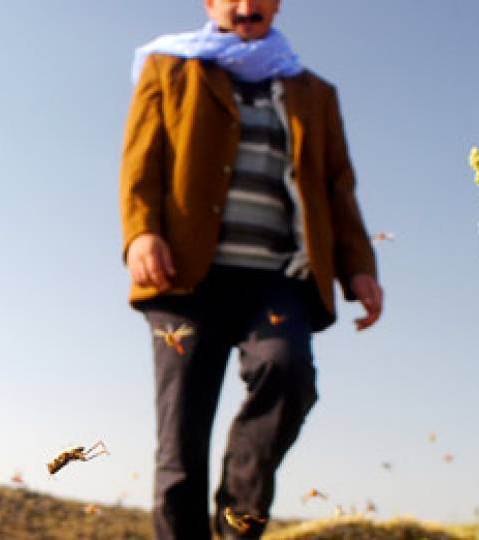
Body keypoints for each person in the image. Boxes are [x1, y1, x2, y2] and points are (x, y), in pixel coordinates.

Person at [118, 1, 384, 538]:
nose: (246, 6)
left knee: (288, 374)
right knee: (181, 440)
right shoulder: (169, 68)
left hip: (275, 280)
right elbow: (140, 159)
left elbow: (337, 187)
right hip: (185, 278)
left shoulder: (312, 91)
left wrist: (359, 267)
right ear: (210, 4)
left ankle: (237, 523)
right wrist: (141, 232)